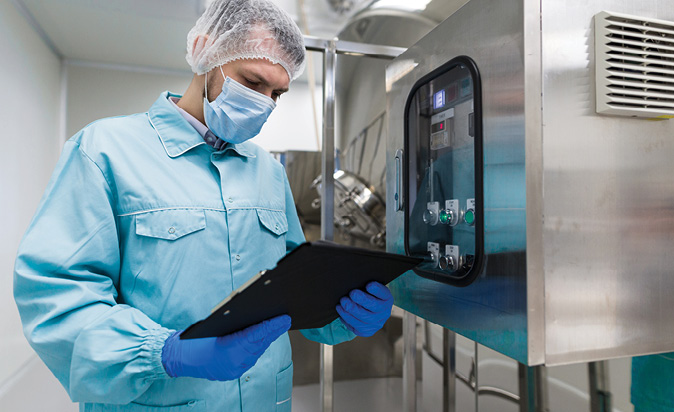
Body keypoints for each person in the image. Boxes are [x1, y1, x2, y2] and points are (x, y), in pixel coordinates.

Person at [13, 1, 394, 410]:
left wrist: (343, 313)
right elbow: (57, 295)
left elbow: (295, 283)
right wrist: (164, 353)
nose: (265, 103)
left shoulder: (267, 171)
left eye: (277, 93)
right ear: (206, 55)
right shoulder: (104, 152)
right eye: (252, 82)